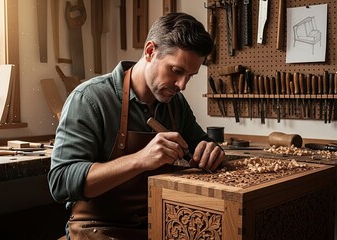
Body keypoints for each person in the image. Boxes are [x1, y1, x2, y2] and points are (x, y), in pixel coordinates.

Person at [48, 12, 225, 239]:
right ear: (150, 51)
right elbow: (61, 182)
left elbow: (202, 143)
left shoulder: (175, 103)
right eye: (177, 71)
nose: (182, 85)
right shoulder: (89, 99)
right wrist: (140, 159)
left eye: (190, 76)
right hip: (97, 228)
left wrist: (213, 151)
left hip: (161, 223)